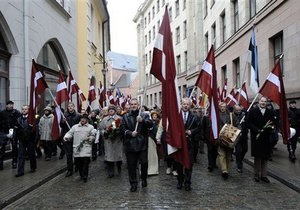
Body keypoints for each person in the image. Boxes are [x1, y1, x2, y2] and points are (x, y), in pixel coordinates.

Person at [120, 98, 153, 192]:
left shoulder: (144, 115)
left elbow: (150, 125)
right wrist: (130, 133)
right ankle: (133, 183)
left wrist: (142, 121)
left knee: (144, 163)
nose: (133, 106)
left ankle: (143, 178)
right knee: (131, 165)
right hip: (130, 144)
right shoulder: (125, 117)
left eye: (135, 104)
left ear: (138, 105)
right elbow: (122, 129)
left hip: (142, 143)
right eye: (132, 104)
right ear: (129, 106)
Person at [248, 96, 276, 183]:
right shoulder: (253, 111)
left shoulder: (270, 112)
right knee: (258, 157)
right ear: (258, 102)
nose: (263, 103)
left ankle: (264, 175)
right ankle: (256, 175)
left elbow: (273, 123)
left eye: (265, 101)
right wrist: (257, 130)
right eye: (262, 101)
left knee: (265, 157)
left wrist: (268, 129)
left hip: (266, 137)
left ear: (267, 103)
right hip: (256, 137)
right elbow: (249, 123)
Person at [176, 97, 201, 191]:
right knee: (179, 164)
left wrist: (192, 131)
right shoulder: (177, 116)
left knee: (189, 164)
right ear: (181, 104)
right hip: (179, 144)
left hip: (190, 144)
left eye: (187, 104)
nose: (185, 106)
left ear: (190, 105)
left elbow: (199, 127)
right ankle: (180, 181)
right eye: (184, 104)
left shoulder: (194, 116)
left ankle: (187, 182)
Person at [64, 114, 96, 182]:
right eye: (82, 119)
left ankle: (85, 176)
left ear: (87, 120)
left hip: (86, 147)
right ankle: (81, 174)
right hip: (77, 147)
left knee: (85, 162)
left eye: (84, 119)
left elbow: (93, 135)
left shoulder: (91, 127)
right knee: (78, 162)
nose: (83, 120)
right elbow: (70, 133)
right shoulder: (75, 127)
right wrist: (66, 137)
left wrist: (90, 138)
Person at [99, 105, 123, 178]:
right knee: (109, 156)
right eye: (109, 110)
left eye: (112, 110)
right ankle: (110, 171)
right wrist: (104, 133)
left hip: (117, 140)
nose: (111, 111)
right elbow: (101, 129)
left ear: (115, 111)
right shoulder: (104, 119)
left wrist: (118, 131)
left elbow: (123, 127)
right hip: (108, 140)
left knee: (118, 156)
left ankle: (119, 168)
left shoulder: (119, 118)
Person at [218, 102, 240, 180]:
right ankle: (224, 171)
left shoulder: (231, 115)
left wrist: (238, 131)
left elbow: (237, 124)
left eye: (224, 106)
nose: (222, 108)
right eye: (221, 106)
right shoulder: (216, 115)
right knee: (222, 154)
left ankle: (226, 169)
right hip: (220, 138)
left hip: (230, 138)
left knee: (228, 155)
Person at [15, 105, 37, 177]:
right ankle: (20, 171)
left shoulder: (32, 119)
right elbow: (16, 130)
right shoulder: (18, 119)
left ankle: (33, 167)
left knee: (31, 154)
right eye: (23, 109)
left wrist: (34, 140)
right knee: (21, 155)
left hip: (30, 139)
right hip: (22, 140)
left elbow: (35, 130)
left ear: (28, 110)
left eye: (25, 109)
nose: (24, 110)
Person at [60, 102, 81, 177]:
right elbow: (61, 126)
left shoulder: (78, 115)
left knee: (76, 153)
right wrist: (62, 122)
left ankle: (77, 166)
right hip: (67, 136)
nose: (70, 107)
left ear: (74, 107)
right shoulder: (64, 115)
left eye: (71, 106)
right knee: (69, 154)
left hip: (76, 136)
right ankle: (69, 169)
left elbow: (80, 125)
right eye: (69, 106)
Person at [0, 100, 21, 168]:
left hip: (14, 131)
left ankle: (14, 162)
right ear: (7, 105)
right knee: (1, 147)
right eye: (10, 104)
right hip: (4, 131)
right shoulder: (2, 113)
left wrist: (17, 126)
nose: (11, 106)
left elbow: (20, 120)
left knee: (14, 147)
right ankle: (0, 163)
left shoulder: (16, 112)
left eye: (12, 104)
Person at [233, 105, 248, 173]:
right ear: (234, 110)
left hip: (244, 135)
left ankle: (239, 160)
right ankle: (239, 166)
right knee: (238, 150)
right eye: (237, 110)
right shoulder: (232, 116)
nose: (239, 111)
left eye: (239, 110)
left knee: (245, 149)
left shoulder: (244, 115)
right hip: (236, 136)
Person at [147, 110, 160, 175]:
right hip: (150, 138)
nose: (154, 116)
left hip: (155, 139)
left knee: (154, 154)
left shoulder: (158, 123)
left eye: (155, 115)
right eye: (153, 115)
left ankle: (154, 169)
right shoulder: (149, 122)